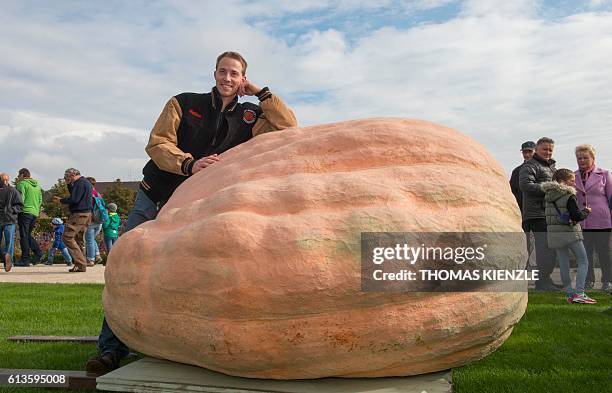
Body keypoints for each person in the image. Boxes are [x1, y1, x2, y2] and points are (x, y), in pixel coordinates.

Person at [85, 50, 297, 374]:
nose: (228, 78)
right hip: (155, 197)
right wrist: (189, 164)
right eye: (223, 71)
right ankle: (111, 349)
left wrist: (261, 92)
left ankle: (168, 341)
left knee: (188, 273)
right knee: (128, 267)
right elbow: (158, 144)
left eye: (235, 74)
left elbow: (288, 128)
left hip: (195, 208)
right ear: (214, 74)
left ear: (242, 79)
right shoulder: (183, 103)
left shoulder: (250, 118)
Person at [543, 169, 596, 303]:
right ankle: (579, 293)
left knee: (563, 263)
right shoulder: (569, 195)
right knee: (583, 261)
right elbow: (576, 216)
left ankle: (570, 295)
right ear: (563, 181)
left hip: (555, 235)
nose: (574, 183)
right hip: (570, 233)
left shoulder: (549, 196)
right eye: (572, 180)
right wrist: (586, 211)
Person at [519, 137, 558, 290]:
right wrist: (549, 187)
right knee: (544, 249)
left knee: (549, 248)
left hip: (548, 212)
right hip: (536, 213)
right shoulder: (530, 165)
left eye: (550, 150)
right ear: (537, 150)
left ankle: (546, 279)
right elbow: (525, 185)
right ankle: (542, 282)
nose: (548, 152)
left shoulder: (551, 167)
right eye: (545, 149)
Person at [574, 144, 612, 291]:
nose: (582, 160)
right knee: (585, 254)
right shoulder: (573, 175)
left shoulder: (605, 174)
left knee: (605, 253)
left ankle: (608, 281)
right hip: (582, 222)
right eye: (579, 158)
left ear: (593, 158)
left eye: (585, 157)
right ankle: (588, 280)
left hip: (602, 221)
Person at [53, 168, 93, 272]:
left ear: (72, 175)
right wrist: (68, 184)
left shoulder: (79, 183)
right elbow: (75, 195)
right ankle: (80, 265)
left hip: (79, 214)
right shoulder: (85, 182)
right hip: (87, 214)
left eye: (67, 177)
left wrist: (60, 200)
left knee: (67, 237)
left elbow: (74, 199)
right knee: (79, 239)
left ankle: (80, 263)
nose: (66, 179)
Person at [509, 141, 536, 268]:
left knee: (542, 242)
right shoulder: (516, 172)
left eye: (529, 151)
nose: (527, 154)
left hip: (539, 212)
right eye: (525, 152)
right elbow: (511, 191)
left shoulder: (542, 168)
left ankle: (541, 271)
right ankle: (524, 266)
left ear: (535, 151)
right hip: (522, 212)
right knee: (523, 241)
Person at [15, 168, 43, 266]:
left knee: (24, 236)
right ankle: (38, 253)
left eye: (19, 176)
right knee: (27, 234)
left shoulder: (22, 184)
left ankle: (25, 259)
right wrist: (35, 209)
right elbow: (40, 200)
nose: (18, 178)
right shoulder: (37, 185)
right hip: (34, 213)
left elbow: (19, 199)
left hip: (24, 212)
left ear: (22, 175)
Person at [0, 172, 23, 272]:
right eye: (2, 180)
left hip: (9, 219)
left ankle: (9, 261)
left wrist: (11, 210)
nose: (5, 182)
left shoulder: (13, 191)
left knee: (9, 241)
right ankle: (6, 257)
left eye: (6, 180)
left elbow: (20, 205)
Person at [85, 177, 103, 266]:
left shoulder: (88, 194)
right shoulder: (97, 194)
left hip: (91, 220)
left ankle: (90, 259)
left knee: (89, 241)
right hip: (99, 220)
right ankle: (97, 255)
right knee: (91, 239)